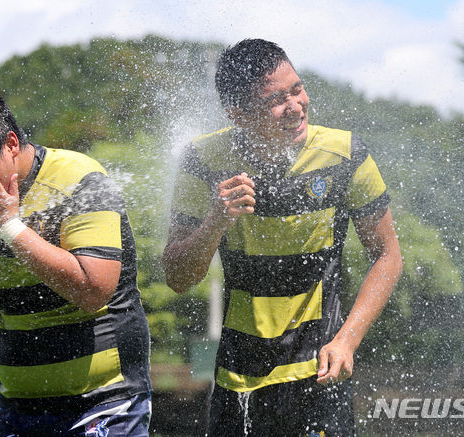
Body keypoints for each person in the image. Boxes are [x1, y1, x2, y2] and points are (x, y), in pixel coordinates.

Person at [162, 39, 402, 436]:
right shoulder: (202, 161)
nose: (296, 106)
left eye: (297, 89)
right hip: (237, 378)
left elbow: (388, 256)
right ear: (236, 114)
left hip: (320, 370)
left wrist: (347, 341)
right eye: (276, 100)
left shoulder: (345, 154)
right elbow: (177, 276)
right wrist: (215, 223)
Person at [0, 88, 152, 437]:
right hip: (18, 408)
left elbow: (94, 289)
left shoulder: (79, 178)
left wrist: (8, 226)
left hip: (104, 403)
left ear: (12, 144)